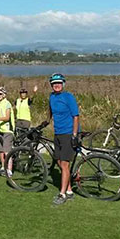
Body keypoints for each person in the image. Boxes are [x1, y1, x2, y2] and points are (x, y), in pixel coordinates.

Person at [48, 73, 80, 206]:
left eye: (59, 83)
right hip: (58, 133)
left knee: (65, 164)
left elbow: (76, 116)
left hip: (68, 133)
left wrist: (74, 134)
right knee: (59, 161)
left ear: (63, 84)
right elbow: (50, 111)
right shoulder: (51, 97)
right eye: (54, 83)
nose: (57, 85)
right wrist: (46, 121)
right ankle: (69, 190)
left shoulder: (68, 97)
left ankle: (62, 194)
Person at [0, 86, 15, 177]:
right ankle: (3, 167)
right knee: (1, 151)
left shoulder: (7, 103)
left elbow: (7, 117)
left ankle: (9, 170)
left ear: (4, 95)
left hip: (7, 130)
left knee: (7, 151)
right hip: (1, 130)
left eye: (0, 94)